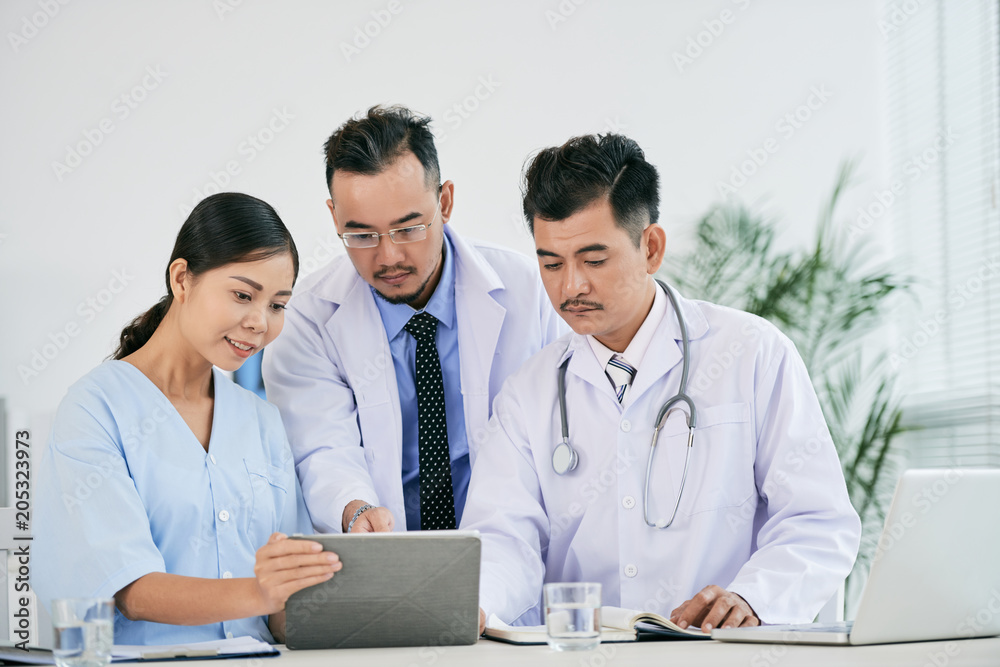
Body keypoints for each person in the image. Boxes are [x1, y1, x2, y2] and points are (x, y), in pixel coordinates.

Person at [461, 134, 862, 631]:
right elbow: (505, 539)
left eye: (593, 260)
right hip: (588, 654)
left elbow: (816, 519)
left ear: (650, 248)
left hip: (719, 652)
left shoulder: (751, 352)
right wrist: (480, 603)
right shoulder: (528, 394)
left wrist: (754, 598)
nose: (571, 286)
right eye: (551, 263)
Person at [34, 193, 337, 645]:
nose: (260, 322)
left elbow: (289, 599)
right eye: (242, 295)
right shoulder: (96, 408)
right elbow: (131, 591)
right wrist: (258, 593)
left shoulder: (261, 420)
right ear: (181, 279)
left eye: (277, 305)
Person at [262, 105, 565, 534]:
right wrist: (355, 509)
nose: (388, 257)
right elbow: (321, 448)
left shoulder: (528, 290)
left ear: (445, 202)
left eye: (408, 229)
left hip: (510, 547)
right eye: (362, 235)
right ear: (334, 216)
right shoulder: (307, 318)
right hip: (384, 556)